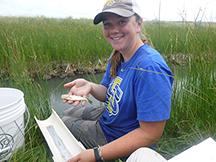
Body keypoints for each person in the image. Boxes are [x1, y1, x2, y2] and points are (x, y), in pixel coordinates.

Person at [62, 0, 174, 161]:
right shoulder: (118, 55)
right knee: (68, 112)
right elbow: (107, 92)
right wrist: (91, 86)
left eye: (122, 22)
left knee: (64, 123)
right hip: (110, 118)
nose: (114, 30)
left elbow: (150, 134)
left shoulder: (150, 68)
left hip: (117, 136)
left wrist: (96, 155)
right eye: (107, 24)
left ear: (138, 24)